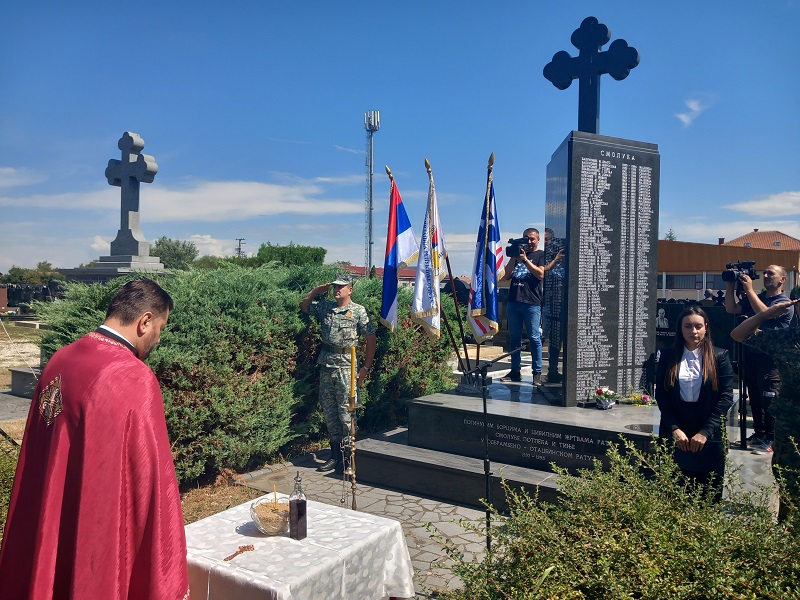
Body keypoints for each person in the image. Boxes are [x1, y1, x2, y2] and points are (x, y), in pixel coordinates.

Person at [0, 279, 189, 599]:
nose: (158, 337)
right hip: (98, 533)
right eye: (160, 327)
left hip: (51, 520)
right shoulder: (134, 378)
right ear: (145, 321)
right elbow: (152, 484)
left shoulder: (59, 360)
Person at [655, 306, 734, 502]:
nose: (693, 331)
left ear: (706, 327)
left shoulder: (719, 356)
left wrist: (705, 432)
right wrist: (674, 428)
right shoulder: (667, 356)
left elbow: (725, 397)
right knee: (673, 494)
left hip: (708, 433)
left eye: (698, 326)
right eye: (688, 326)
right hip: (676, 432)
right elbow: (662, 395)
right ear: (680, 329)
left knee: (707, 495)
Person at [731, 298, 800, 519]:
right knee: (789, 485)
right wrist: (766, 314)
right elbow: (738, 335)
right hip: (792, 428)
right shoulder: (786, 338)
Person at [301, 275, 376, 473]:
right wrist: (315, 291)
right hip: (327, 365)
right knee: (330, 411)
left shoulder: (358, 311)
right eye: (335, 287)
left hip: (347, 367)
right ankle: (334, 456)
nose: (337, 290)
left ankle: (347, 458)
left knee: (347, 413)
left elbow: (371, 339)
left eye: (341, 287)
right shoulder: (326, 307)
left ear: (350, 290)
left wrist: (365, 368)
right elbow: (304, 306)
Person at [725, 265, 794, 454]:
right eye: (764, 273)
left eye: (770, 273)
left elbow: (767, 315)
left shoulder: (784, 302)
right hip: (751, 355)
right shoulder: (757, 297)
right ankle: (759, 432)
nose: (765, 276)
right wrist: (730, 285)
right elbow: (732, 308)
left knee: (769, 397)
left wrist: (749, 290)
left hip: (770, 359)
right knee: (754, 397)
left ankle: (771, 437)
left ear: (782, 280)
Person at [501, 228, 547, 385]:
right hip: (514, 301)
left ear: (538, 240)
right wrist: (514, 258)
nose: (530, 241)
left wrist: (525, 260)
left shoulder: (540, 255)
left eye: (533, 238)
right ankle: (515, 371)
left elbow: (541, 274)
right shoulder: (516, 255)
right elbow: (506, 276)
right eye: (527, 238)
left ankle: (537, 373)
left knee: (534, 338)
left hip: (531, 303)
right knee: (514, 338)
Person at [541, 228, 565, 383]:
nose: (547, 244)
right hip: (546, 304)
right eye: (544, 241)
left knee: (557, 340)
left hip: (561, 304)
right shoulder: (543, 258)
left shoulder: (564, 262)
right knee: (541, 337)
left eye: (549, 240)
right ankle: (538, 371)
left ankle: (553, 371)